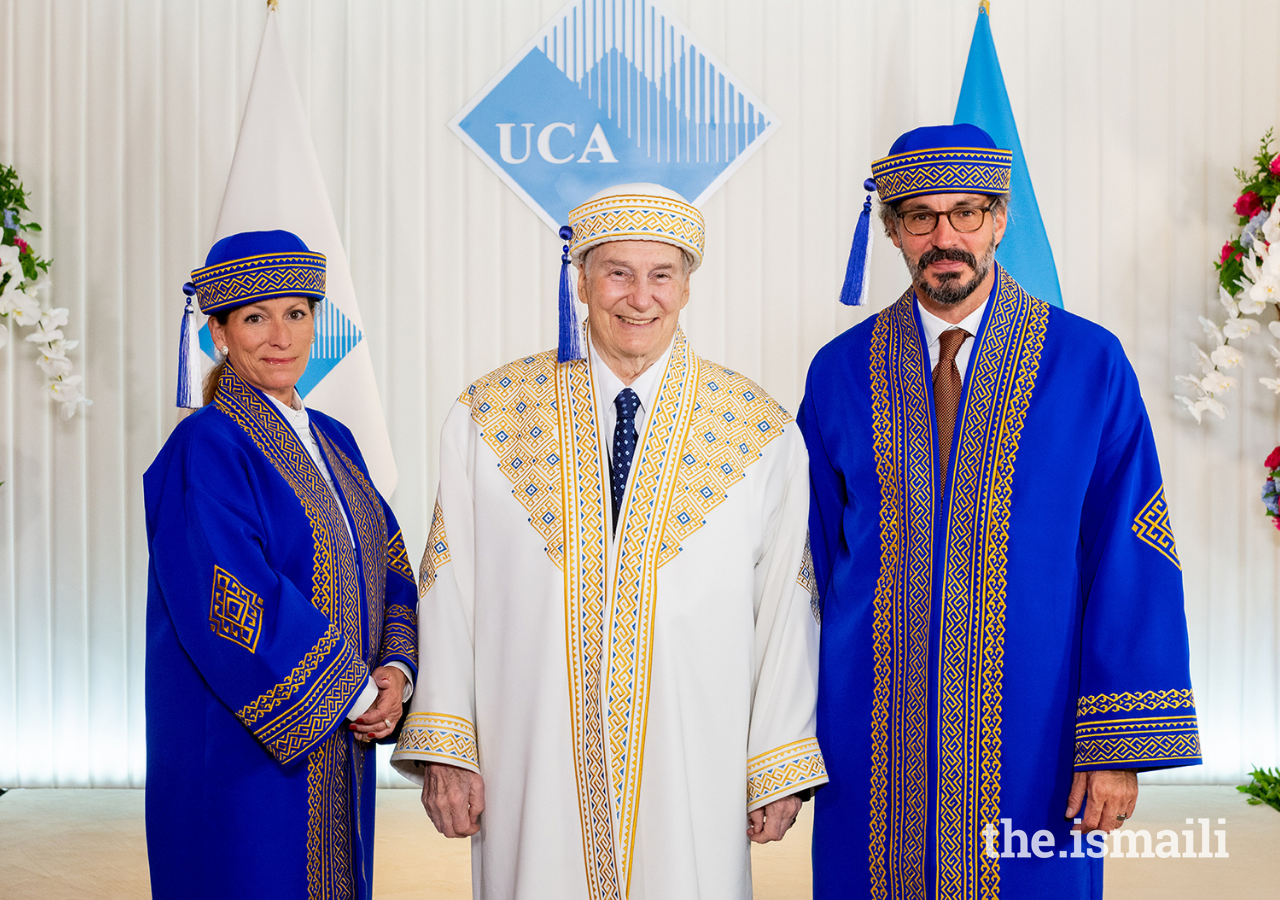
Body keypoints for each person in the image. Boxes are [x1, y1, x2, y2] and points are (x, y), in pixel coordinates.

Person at [391, 184, 827, 898]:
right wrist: (448, 745)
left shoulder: (759, 429)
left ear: (687, 286)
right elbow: (448, 584)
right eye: (617, 272)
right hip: (530, 759)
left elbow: (787, 602)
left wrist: (775, 757)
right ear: (582, 281)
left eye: (661, 275)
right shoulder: (491, 416)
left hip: (695, 763)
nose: (639, 297)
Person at [800, 125, 1201, 899]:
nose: (944, 236)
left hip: (1036, 729)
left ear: (1000, 219)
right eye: (920, 216)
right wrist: (783, 738)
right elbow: (803, 567)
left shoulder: (1088, 364)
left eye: (967, 212)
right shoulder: (841, 370)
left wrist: (1114, 742)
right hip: (872, 726)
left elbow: (1131, 551)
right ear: (890, 230)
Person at [143, 230, 419, 899]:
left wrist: (394, 670)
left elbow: (387, 555)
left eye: (296, 314)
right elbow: (227, 595)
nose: (280, 336)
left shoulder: (335, 438)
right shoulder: (205, 443)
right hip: (242, 740)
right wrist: (353, 690)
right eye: (255, 317)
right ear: (217, 332)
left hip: (341, 732)